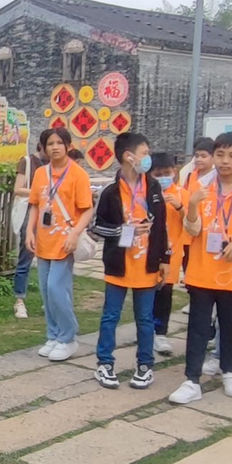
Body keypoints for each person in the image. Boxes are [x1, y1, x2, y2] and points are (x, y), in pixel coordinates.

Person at [169, 132, 232, 406]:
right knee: (198, 326)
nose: (225, 161)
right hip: (201, 270)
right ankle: (192, 380)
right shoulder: (201, 188)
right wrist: (192, 205)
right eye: (220, 155)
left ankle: (229, 370)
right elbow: (193, 230)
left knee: (230, 324)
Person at [92, 133, 168, 390]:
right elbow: (97, 227)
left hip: (147, 265)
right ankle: (105, 363)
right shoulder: (111, 192)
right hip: (119, 264)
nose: (148, 158)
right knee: (110, 316)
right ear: (129, 156)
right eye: (144, 153)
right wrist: (124, 230)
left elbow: (162, 226)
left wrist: (164, 259)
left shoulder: (153, 188)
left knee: (145, 318)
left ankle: (145, 365)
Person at [27, 127, 94, 361]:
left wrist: (75, 234)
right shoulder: (40, 173)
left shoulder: (78, 174)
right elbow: (35, 205)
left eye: (59, 143)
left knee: (57, 288)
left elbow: (87, 209)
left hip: (65, 241)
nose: (54, 147)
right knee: (46, 291)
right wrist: (29, 231)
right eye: (50, 143)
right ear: (44, 148)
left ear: (68, 145)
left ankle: (68, 337)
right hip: (44, 240)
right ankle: (53, 335)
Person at [150, 152, 184, 355]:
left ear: (174, 172)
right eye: (158, 174)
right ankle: (146, 328)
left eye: (167, 173)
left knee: (165, 293)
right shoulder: (146, 192)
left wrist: (179, 206)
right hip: (148, 251)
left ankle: (161, 332)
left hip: (172, 252)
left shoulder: (181, 193)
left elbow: (192, 221)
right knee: (146, 293)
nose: (163, 177)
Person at [11, 142, 45, 318]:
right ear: (42, 146)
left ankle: (48, 300)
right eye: (50, 145)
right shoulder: (27, 162)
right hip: (30, 212)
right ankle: (19, 300)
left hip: (49, 216)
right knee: (26, 257)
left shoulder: (56, 164)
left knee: (49, 260)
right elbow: (17, 189)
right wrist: (39, 193)